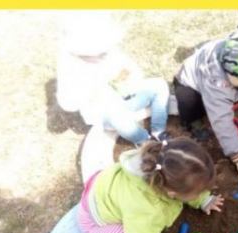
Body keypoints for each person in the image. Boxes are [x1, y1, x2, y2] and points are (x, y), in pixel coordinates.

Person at [77, 137, 224, 233]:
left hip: (102, 187)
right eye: (198, 193)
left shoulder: (159, 161)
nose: (201, 192)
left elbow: (186, 180)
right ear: (171, 193)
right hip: (93, 221)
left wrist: (202, 199)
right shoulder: (146, 209)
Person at [56, 12, 170, 145]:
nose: (104, 55)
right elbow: (68, 104)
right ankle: (146, 142)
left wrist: (129, 78)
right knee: (117, 115)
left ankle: (158, 131)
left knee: (159, 85)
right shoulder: (70, 67)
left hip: (125, 97)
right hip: (105, 113)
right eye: (98, 54)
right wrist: (91, 90)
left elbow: (132, 70)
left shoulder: (109, 50)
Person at [174, 27, 238, 175]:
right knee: (189, 103)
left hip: (227, 80)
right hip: (190, 83)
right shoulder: (215, 79)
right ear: (226, 69)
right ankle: (193, 123)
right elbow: (221, 118)